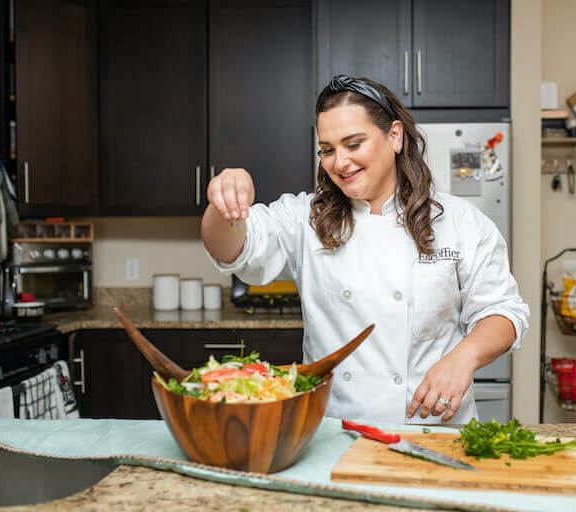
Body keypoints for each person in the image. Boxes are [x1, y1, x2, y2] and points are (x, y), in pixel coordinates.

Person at [201, 75, 529, 424]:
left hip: (435, 432)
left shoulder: (461, 222)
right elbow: (232, 249)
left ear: (395, 136)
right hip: (338, 432)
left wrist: (464, 357)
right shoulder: (304, 218)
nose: (339, 162)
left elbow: (504, 312)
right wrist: (225, 204)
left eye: (353, 144)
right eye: (327, 150)